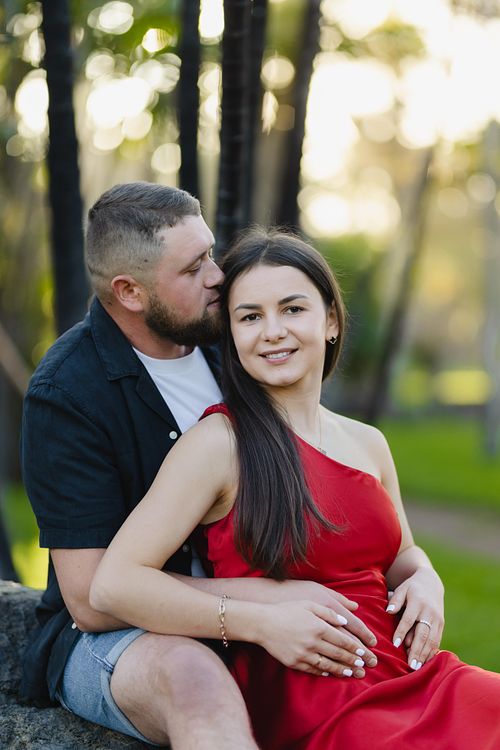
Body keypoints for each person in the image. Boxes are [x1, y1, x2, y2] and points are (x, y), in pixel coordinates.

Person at [90, 227, 500, 749]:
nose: (273, 331)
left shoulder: (368, 442)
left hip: (419, 678)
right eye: (250, 317)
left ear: (330, 320)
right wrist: (258, 623)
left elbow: (402, 555)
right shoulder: (218, 444)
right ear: (232, 334)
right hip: (320, 703)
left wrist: (426, 578)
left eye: (292, 309)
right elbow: (116, 584)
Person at [20, 185, 376, 749]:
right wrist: (262, 605)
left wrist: (416, 570)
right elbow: (91, 601)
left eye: (210, 253)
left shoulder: (228, 340)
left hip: (268, 615)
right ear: (130, 292)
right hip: (118, 635)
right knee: (195, 680)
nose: (217, 276)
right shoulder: (68, 393)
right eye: (193, 268)